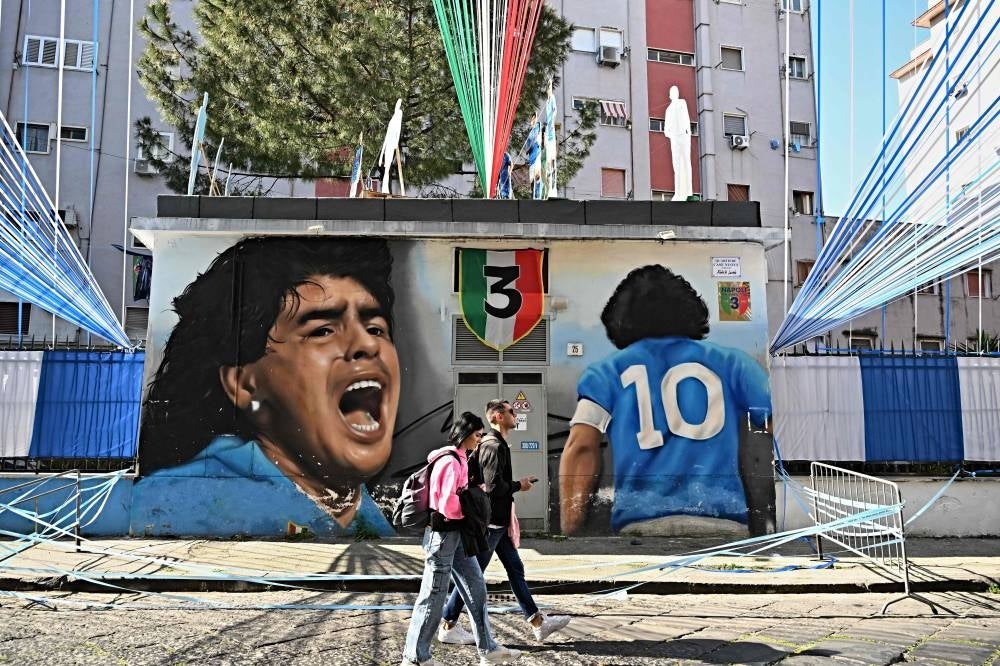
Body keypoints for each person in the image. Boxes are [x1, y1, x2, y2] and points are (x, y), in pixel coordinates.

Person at [133, 236, 400, 537]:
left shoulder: (364, 513)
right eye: (322, 330)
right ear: (244, 385)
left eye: (376, 328)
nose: (367, 344)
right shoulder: (172, 498)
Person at [559, 265, 772, 536]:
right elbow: (775, 426)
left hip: (640, 525)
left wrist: (570, 530)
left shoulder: (604, 374)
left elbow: (581, 447)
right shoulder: (735, 365)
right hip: (722, 521)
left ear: (620, 316)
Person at [438, 399, 571, 645]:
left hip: (498, 524)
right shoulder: (493, 446)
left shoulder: (496, 444)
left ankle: (537, 623)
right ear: (498, 416)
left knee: (515, 570)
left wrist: (517, 484)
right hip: (491, 526)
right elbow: (491, 486)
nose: (515, 413)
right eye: (511, 410)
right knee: (473, 577)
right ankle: (448, 624)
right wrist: (519, 485)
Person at [401, 412, 521, 666]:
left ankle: (488, 649)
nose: (479, 440)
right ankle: (414, 657)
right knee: (433, 596)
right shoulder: (449, 462)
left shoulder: (461, 459)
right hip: (443, 536)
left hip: (456, 536)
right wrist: (471, 506)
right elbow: (446, 504)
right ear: (466, 434)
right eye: (477, 435)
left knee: (476, 586)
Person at [663, 85, 693, 201]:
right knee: (677, 166)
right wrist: (672, 136)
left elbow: (686, 118)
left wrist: (688, 133)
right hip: (675, 138)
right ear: (670, 95)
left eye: (676, 91)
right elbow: (666, 130)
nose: (675, 94)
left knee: (686, 162)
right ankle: (678, 192)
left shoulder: (682, 103)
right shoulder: (668, 110)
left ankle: (688, 192)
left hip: (684, 137)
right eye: (673, 92)